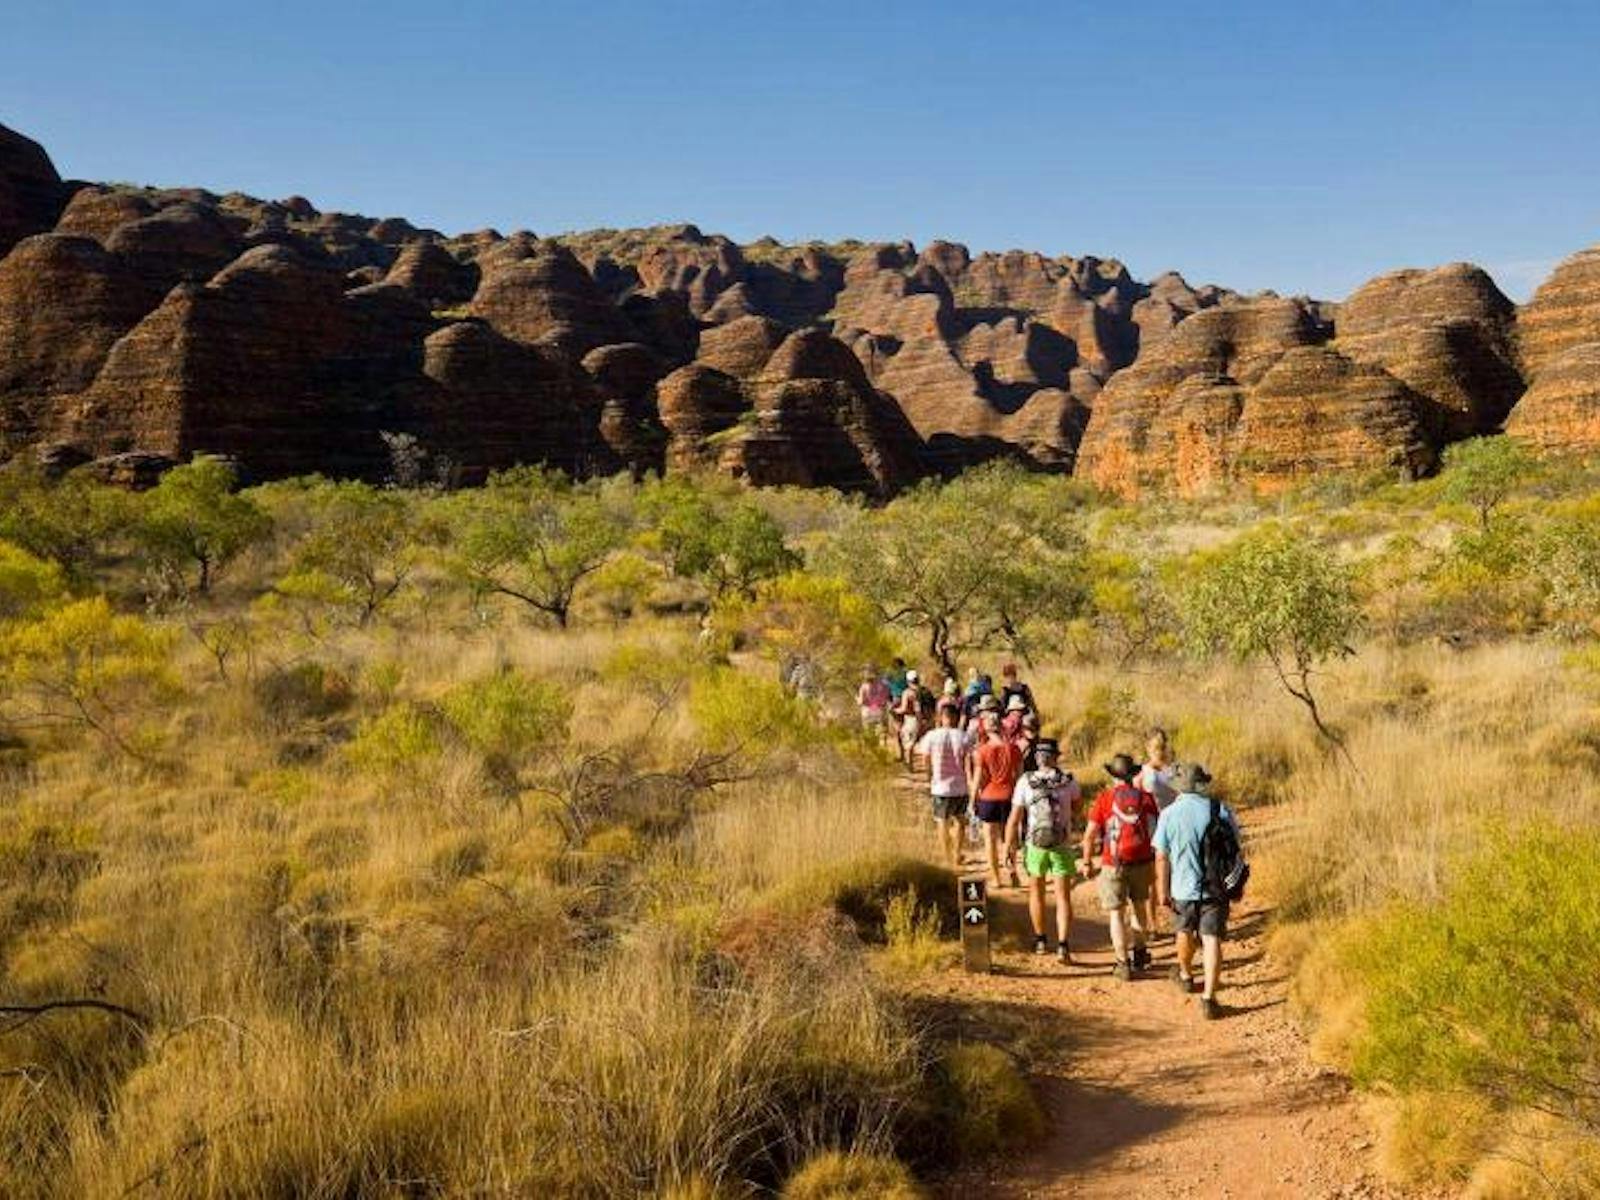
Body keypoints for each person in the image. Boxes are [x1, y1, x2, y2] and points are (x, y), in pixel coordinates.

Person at [1154, 762, 1240, 1020]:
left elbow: (1161, 856)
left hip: (1182, 887)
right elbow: (1236, 845)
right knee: (1212, 939)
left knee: (1184, 931)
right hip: (1215, 887)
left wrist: (1162, 890)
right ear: (1201, 784)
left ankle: (1186, 974)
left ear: (1180, 786)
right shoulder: (1219, 809)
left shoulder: (1168, 814)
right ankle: (1209, 999)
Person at [1082, 753, 1162, 981]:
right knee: (1139, 906)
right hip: (1142, 861)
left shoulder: (1105, 799)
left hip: (1113, 863)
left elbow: (1090, 835)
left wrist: (1087, 861)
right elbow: (1155, 830)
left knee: (1116, 915)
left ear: (1113, 776)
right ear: (1133, 775)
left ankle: (1122, 963)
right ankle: (1139, 952)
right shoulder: (1146, 799)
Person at [1004, 739, 1081, 963]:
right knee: (1063, 897)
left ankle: (1040, 940)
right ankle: (1063, 945)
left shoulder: (1025, 782)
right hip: (1062, 845)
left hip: (1034, 845)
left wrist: (1008, 846)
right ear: (1055, 757)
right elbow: (1077, 808)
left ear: (1037, 758)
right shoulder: (1069, 781)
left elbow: (1015, 818)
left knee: (1036, 893)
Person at [970, 712, 1024, 890]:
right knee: (1009, 838)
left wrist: (972, 800)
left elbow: (978, 778)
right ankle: (1012, 870)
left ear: (985, 728)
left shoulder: (982, 751)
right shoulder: (1014, 748)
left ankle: (996, 878)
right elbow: (1019, 776)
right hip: (1010, 796)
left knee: (990, 840)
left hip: (988, 797)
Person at [914, 703, 971, 868]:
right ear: (956, 717)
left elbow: (924, 757)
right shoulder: (964, 736)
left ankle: (947, 857)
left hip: (940, 786)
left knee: (942, 822)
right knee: (960, 821)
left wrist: (928, 775)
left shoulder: (932, 736)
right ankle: (957, 853)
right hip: (960, 786)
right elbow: (969, 762)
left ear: (941, 717)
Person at [1138, 727, 1180, 810]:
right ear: (1148, 747)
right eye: (1157, 747)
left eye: (1162, 747)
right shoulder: (1142, 772)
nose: (1159, 752)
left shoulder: (1173, 770)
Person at [892, 669, 923, 765]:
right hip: (922, 719)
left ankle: (909, 763)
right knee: (913, 741)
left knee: (908, 743)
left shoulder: (907, 693)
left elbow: (904, 708)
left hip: (910, 719)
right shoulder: (922, 691)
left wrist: (895, 710)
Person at [857, 668, 890, 740]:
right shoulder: (882, 686)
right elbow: (886, 697)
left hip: (867, 712)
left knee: (868, 733)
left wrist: (857, 699)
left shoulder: (864, 687)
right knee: (881, 734)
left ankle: (871, 749)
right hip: (879, 711)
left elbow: (861, 701)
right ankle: (882, 749)